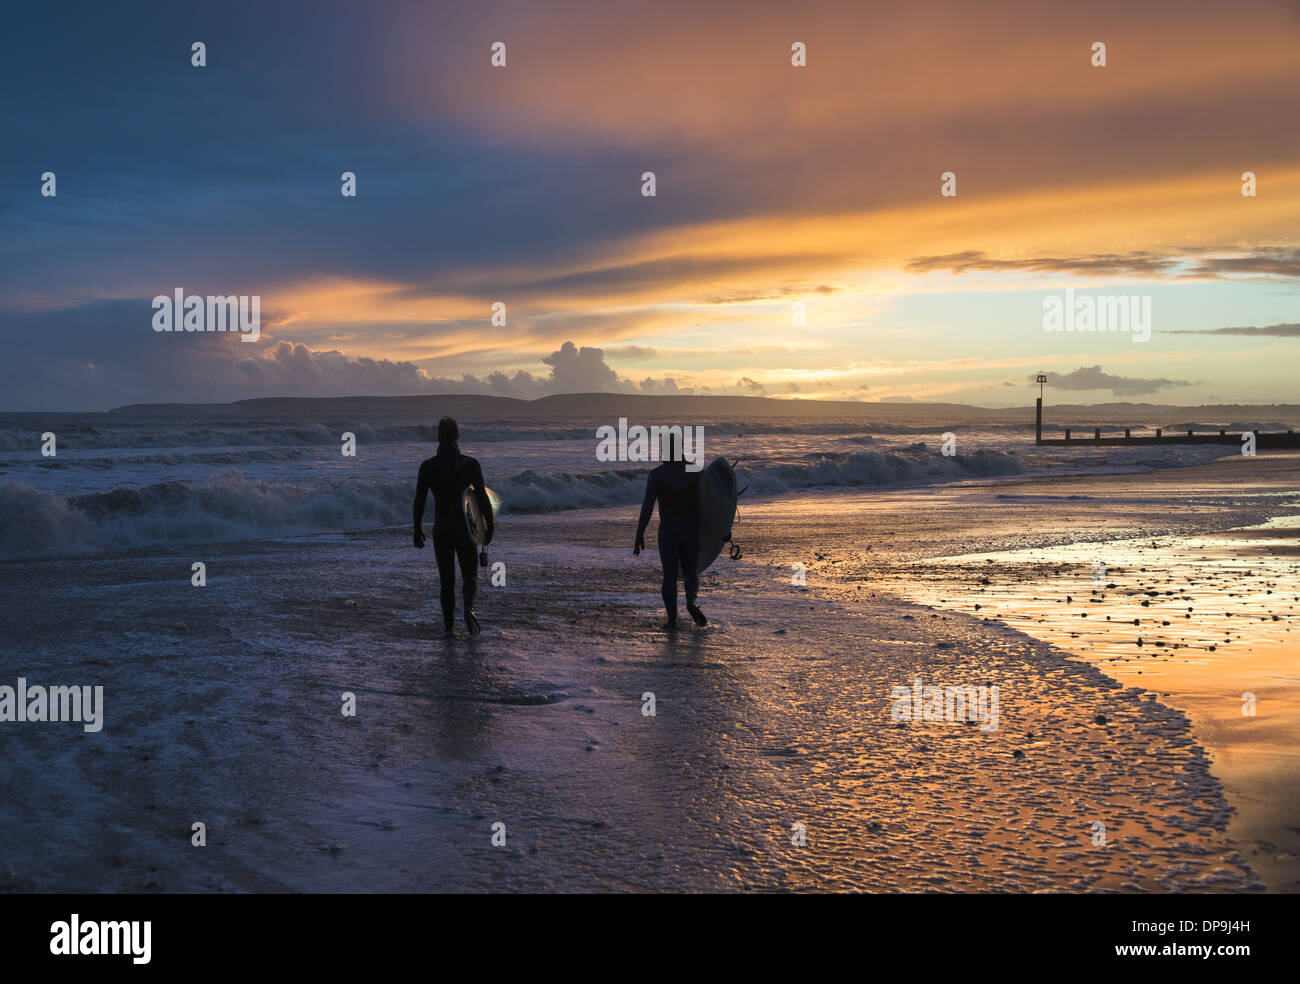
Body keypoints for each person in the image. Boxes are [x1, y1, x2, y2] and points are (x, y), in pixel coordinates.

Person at [413, 417, 487, 637]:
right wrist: (488, 526)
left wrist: (417, 528)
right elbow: (482, 497)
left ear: (438, 436)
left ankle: (449, 628)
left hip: (442, 528)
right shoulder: (470, 464)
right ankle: (468, 608)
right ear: (457, 436)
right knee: (469, 576)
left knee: (446, 580)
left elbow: (419, 500)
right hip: (465, 527)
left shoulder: (428, 467)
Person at [634, 433, 707, 630]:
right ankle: (691, 602)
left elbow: (647, 506)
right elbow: (711, 503)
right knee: (691, 572)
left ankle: (672, 620)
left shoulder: (658, 474)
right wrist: (719, 531)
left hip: (669, 531)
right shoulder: (697, 471)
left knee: (669, 575)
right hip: (691, 530)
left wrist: (640, 533)